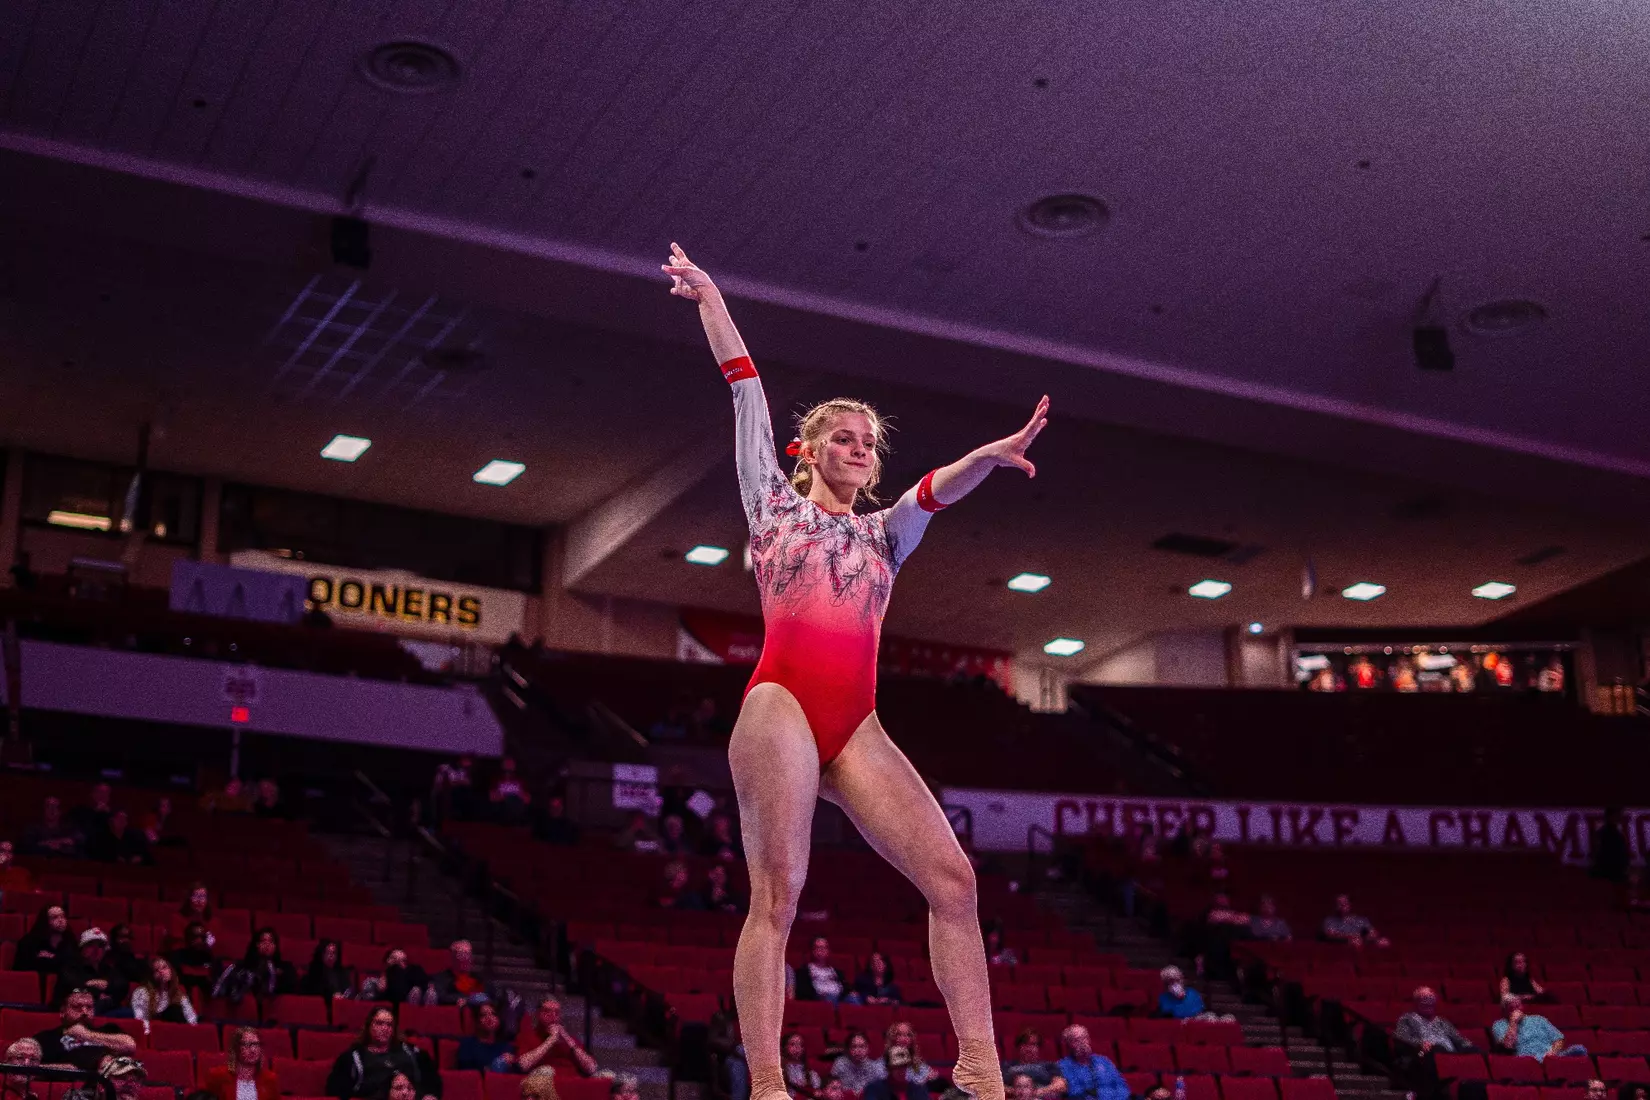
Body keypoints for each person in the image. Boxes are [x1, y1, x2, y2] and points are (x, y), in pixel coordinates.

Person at [666, 242, 1048, 1100]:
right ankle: (767, 1083)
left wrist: (988, 454)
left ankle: (980, 1066)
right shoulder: (771, 503)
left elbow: (931, 494)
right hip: (781, 707)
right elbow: (746, 389)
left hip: (855, 724)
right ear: (807, 451)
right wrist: (711, 299)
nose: (859, 448)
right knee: (781, 893)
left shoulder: (883, 537)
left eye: (868, 443)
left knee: (955, 881)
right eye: (843, 437)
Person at [324, 1006, 441, 1100]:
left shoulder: (412, 1052)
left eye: (389, 1025)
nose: (385, 1028)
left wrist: (430, 1095)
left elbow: (433, 1081)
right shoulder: (352, 1058)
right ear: (369, 1026)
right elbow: (335, 1090)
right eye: (379, 1023)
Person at [32, 989, 137, 1067]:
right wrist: (61, 1069)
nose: (84, 1012)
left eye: (89, 1007)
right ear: (63, 1012)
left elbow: (129, 1045)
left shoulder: (108, 1030)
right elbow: (28, 1067)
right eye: (77, 1007)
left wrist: (87, 1035)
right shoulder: (47, 1038)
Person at [516, 996, 598, 1077]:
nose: (553, 1016)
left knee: (608, 1075)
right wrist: (551, 1040)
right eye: (547, 1011)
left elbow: (591, 1068)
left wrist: (568, 1040)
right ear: (537, 1014)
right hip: (544, 1083)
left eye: (557, 1013)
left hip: (572, 1083)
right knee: (547, 1071)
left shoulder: (570, 1039)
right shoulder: (527, 1036)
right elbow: (523, 1065)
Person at [1490, 994, 1587, 1062]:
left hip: (1550, 1057)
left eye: (1518, 1005)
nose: (1517, 1009)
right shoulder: (1499, 1025)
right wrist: (1513, 1022)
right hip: (1526, 1061)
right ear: (1504, 1010)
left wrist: (1551, 1054)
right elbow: (1508, 1046)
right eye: (1512, 1007)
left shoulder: (1538, 1019)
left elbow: (1559, 1039)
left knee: (1580, 1049)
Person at [213, 927, 298, 1003]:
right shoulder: (243, 968)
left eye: (271, 941)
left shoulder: (286, 969)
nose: (267, 945)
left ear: (276, 946)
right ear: (256, 945)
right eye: (263, 941)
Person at [54, 929, 130, 1014]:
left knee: (128, 1013)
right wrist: (97, 994)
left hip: (104, 1008)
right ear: (82, 949)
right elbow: (74, 988)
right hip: (74, 1010)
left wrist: (107, 985)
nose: (96, 950)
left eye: (100, 946)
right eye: (90, 945)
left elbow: (123, 985)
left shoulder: (107, 969)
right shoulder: (70, 967)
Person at [200, 1028, 279, 1100]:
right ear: (236, 1048)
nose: (253, 1050)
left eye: (256, 1044)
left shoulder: (270, 1079)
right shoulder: (218, 1076)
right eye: (247, 1045)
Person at [1055, 1026, 1129, 1100]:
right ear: (1069, 1045)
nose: (1082, 1043)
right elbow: (1075, 1093)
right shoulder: (1062, 1067)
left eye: (1084, 1038)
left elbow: (1121, 1086)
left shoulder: (1104, 1061)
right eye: (1076, 1040)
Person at [1394, 987, 1474, 1055]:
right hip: (1424, 1054)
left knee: (1474, 1050)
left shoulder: (1442, 1021)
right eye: (1425, 999)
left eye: (1431, 999)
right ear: (1416, 1002)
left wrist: (1469, 1046)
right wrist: (1420, 1044)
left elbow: (1458, 1038)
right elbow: (1401, 1037)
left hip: (1451, 1053)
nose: (1429, 1002)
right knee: (1437, 1049)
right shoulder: (1407, 1019)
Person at [130, 956, 198, 1029]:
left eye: (164, 967)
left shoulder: (178, 994)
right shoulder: (142, 993)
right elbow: (141, 1021)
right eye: (156, 970)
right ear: (151, 975)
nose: (161, 972)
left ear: (171, 970)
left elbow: (192, 1020)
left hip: (176, 1034)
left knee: (175, 1010)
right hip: (155, 1034)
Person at [455, 1003, 518, 1073]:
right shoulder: (467, 1045)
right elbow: (467, 1075)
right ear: (477, 1021)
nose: (489, 1018)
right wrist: (491, 1068)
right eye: (483, 1015)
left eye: (493, 1014)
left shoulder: (507, 1047)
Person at [13, 906, 71, 980]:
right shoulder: (29, 942)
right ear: (45, 920)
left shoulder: (69, 940)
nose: (60, 920)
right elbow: (21, 972)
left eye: (62, 916)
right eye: (55, 917)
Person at [1002, 1030, 1063, 1098]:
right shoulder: (1007, 1065)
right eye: (1025, 1044)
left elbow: (1061, 1085)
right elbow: (994, 1085)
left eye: (1033, 1044)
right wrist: (1016, 1091)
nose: (1029, 1048)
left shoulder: (1049, 1066)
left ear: (1038, 1048)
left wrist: (1039, 1091)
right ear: (1019, 1047)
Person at [357, 948, 429, 1005]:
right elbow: (367, 1001)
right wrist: (379, 991)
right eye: (395, 960)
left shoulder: (413, 987)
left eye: (403, 961)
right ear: (386, 961)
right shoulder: (372, 981)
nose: (398, 965)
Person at [1155, 966, 1229, 1022]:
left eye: (1178, 980)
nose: (1175, 984)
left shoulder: (1192, 993)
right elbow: (1168, 1017)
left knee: (1215, 1017)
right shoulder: (1163, 998)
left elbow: (1199, 1013)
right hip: (1179, 1029)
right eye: (1171, 982)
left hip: (1195, 1024)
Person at [167, 922, 220, 995]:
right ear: (187, 938)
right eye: (195, 937)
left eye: (202, 937)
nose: (199, 941)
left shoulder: (207, 956)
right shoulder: (177, 956)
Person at [1320, 895, 1389, 948]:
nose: (1342, 905)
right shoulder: (1330, 920)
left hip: (1360, 947)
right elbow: (1330, 935)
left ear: (1350, 904)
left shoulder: (1361, 920)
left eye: (1345, 903)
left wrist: (1373, 939)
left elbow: (1373, 933)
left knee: (1384, 942)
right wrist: (1350, 939)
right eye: (1340, 903)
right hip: (1339, 951)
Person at [793, 938, 846, 1004]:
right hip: (819, 1000)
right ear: (813, 951)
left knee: (853, 998)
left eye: (824, 947)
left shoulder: (837, 972)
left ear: (828, 951)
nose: (822, 950)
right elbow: (803, 992)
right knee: (830, 997)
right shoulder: (804, 972)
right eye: (818, 947)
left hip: (839, 998)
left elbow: (845, 987)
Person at [1592, 809, 1630, 884]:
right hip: (1611, 872)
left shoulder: (1616, 833)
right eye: (1617, 816)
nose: (1619, 818)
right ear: (1610, 817)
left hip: (1613, 872)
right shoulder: (1606, 833)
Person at [779, 1032, 821, 1100]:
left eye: (800, 1045)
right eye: (792, 1044)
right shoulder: (778, 1070)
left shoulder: (809, 1072)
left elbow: (816, 1090)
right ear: (784, 1047)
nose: (797, 1048)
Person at [490, 758, 530, 824]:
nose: (509, 766)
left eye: (511, 764)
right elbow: (492, 797)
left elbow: (527, 799)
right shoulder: (496, 779)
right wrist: (506, 796)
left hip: (517, 808)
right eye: (507, 763)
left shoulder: (520, 780)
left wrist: (518, 794)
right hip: (501, 809)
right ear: (502, 765)